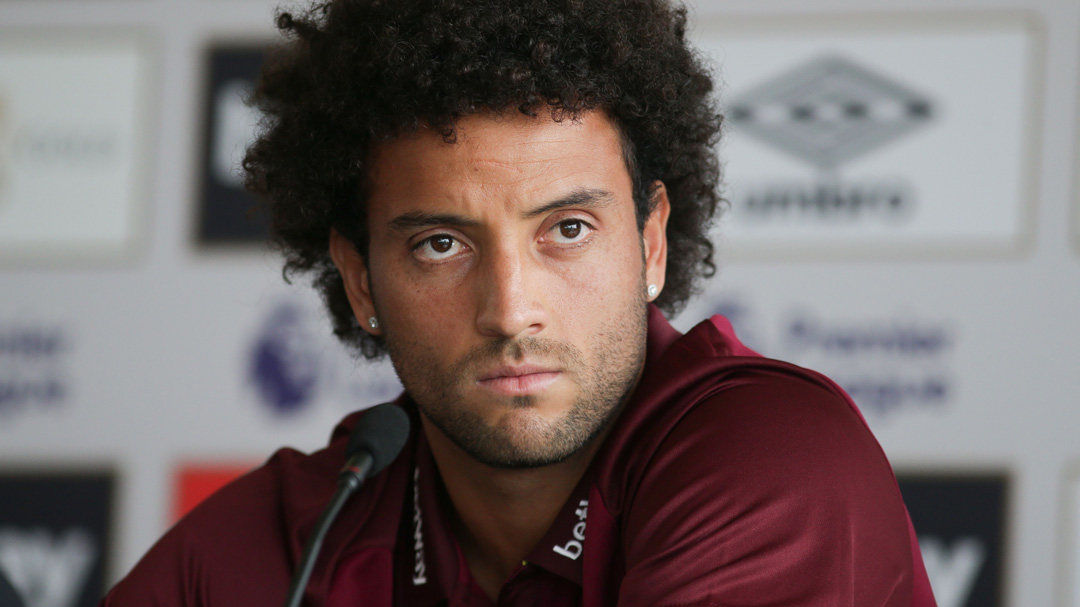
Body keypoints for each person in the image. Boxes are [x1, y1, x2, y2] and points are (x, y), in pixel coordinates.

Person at [102, 0, 937, 605]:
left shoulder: (775, 458)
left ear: (650, 242)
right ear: (362, 281)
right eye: (441, 244)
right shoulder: (300, 535)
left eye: (566, 229)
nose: (510, 309)